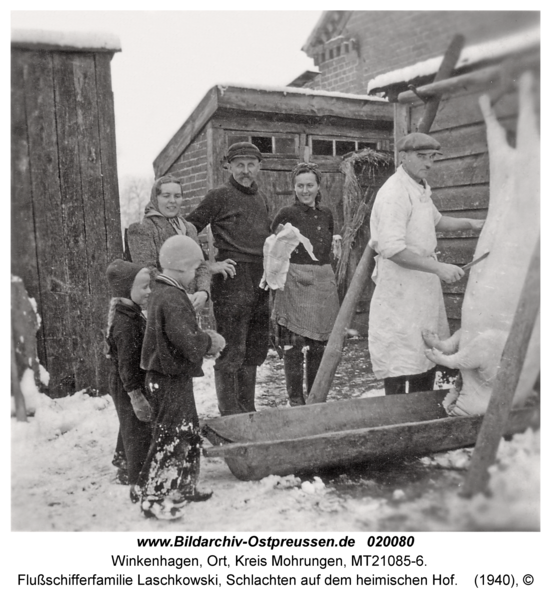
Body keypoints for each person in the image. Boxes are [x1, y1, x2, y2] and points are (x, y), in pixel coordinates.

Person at [368, 132, 485, 395]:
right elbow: (393, 249)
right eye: (422, 157)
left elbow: (436, 221)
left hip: (422, 284)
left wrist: (472, 223)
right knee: (401, 355)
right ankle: (398, 414)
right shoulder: (394, 193)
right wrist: (439, 268)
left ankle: (422, 410)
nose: (429, 164)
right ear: (404, 157)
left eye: (432, 157)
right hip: (401, 286)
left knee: (425, 352)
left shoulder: (418, 186)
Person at [137, 236, 225, 520]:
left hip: (170, 376)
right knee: (170, 436)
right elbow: (186, 340)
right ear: (180, 268)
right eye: (193, 269)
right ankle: (154, 495)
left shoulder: (166, 292)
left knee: (186, 431)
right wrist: (209, 342)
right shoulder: (171, 298)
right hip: (167, 378)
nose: (194, 276)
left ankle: (182, 487)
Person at [186, 142, 271, 416]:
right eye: (239, 165)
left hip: (260, 279)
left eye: (250, 165)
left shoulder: (262, 198)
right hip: (233, 279)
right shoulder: (218, 196)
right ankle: (231, 416)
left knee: (254, 351)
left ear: (259, 166)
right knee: (231, 351)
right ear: (229, 166)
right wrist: (208, 265)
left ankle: (248, 410)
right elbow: (188, 229)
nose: (245, 171)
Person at [270, 163, 340, 405]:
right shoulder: (286, 214)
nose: (305, 190)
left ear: (318, 186)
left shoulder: (327, 214)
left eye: (309, 185)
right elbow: (274, 248)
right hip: (296, 281)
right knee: (295, 344)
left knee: (320, 344)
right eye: (300, 185)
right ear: (294, 187)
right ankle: (296, 400)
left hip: (322, 282)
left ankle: (315, 397)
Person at [127, 174, 211, 314]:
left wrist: (203, 292)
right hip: (159, 308)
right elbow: (148, 271)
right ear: (155, 198)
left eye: (177, 196)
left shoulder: (189, 228)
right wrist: (180, 295)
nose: (172, 201)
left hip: (190, 307)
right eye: (166, 196)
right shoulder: (142, 228)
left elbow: (201, 265)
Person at [105, 259, 152, 502]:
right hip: (127, 382)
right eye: (144, 287)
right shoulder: (126, 323)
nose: (149, 291)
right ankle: (138, 480)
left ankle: (123, 463)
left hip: (126, 379)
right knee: (136, 429)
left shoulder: (130, 313)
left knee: (129, 422)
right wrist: (136, 395)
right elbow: (126, 365)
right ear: (127, 289)